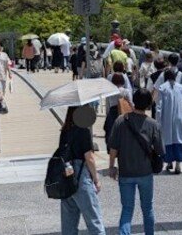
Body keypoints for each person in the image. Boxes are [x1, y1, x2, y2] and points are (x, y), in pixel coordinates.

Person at [108, 88, 164, 235]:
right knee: (147, 209)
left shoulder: (121, 121)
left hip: (126, 172)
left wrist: (112, 166)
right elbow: (160, 150)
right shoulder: (153, 124)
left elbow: (113, 148)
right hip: (145, 172)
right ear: (148, 105)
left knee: (127, 209)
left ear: (134, 100)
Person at [59, 106, 105, 235]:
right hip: (81, 176)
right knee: (95, 222)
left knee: (68, 227)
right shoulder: (83, 130)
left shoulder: (65, 130)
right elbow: (89, 158)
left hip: (67, 178)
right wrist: (96, 179)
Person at [153, 67, 182, 173]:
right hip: (180, 117)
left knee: (168, 139)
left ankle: (169, 163)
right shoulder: (181, 87)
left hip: (167, 118)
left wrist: (158, 121)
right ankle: (178, 165)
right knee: (179, 138)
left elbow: (159, 106)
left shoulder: (162, 88)